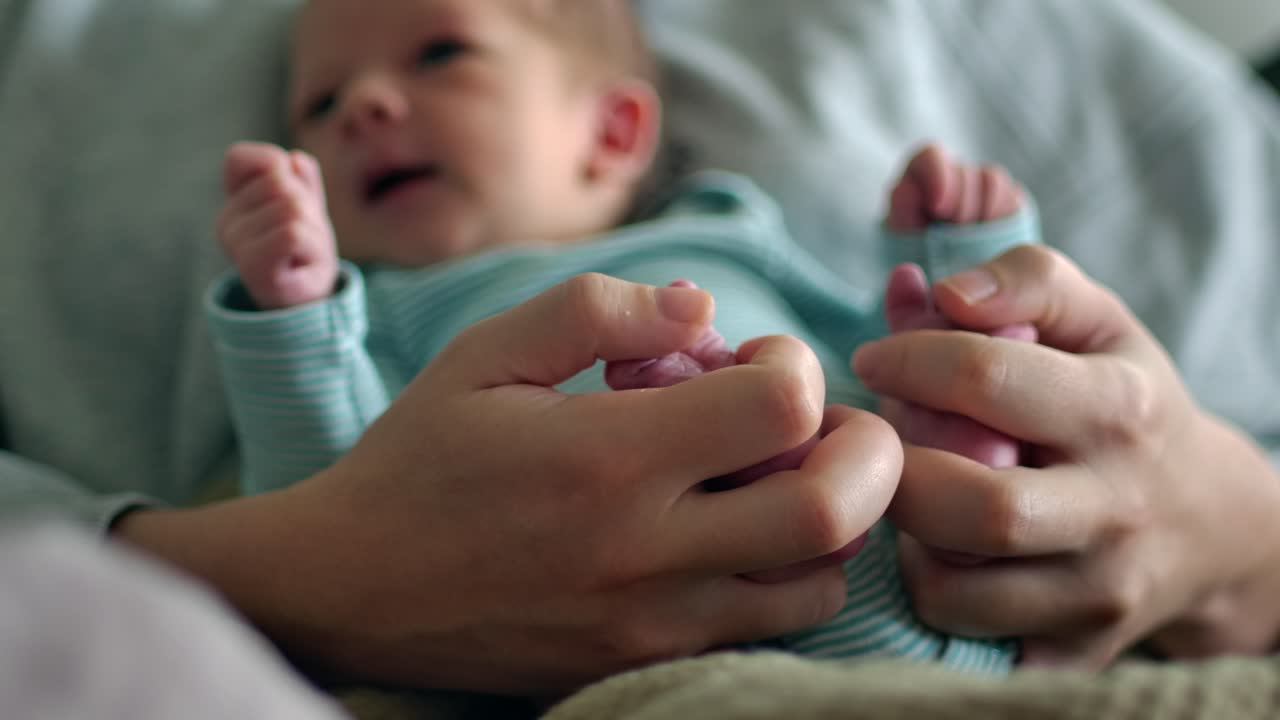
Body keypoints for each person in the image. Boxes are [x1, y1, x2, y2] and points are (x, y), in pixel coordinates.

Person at [208, 0, 1041, 671]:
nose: (363, 105)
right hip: (632, 658)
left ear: (611, 133)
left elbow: (865, 342)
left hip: (903, 587)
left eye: (440, 54)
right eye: (320, 103)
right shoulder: (379, 322)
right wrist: (292, 318)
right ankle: (753, 455)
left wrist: (952, 263)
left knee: (904, 399)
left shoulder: (723, 229)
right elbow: (328, 507)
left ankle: (942, 449)